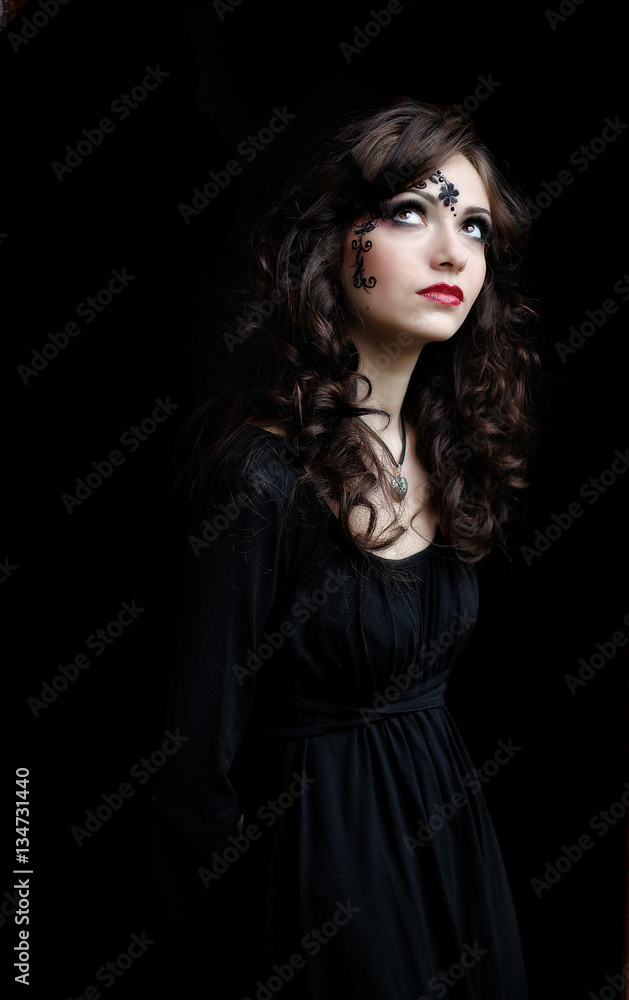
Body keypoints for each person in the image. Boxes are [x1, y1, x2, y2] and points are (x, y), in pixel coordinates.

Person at [147, 99, 538, 999]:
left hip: (454, 866)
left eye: (473, 227)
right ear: (336, 242)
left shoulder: (447, 454)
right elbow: (186, 783)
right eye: (410, 212)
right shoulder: (261, 480)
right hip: (326, 894)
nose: (452, 253)